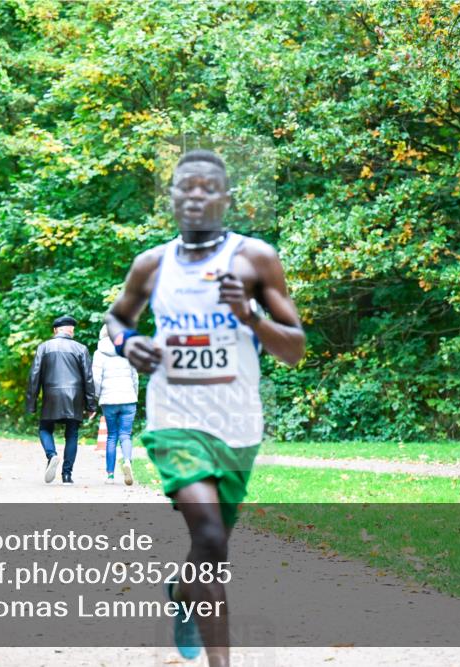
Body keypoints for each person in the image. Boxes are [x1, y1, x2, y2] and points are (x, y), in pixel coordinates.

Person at [105, 149, 305, 666]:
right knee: (211, 536)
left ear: (225, 198)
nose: (194, 197)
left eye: (206, 188)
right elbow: (117, 317)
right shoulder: (151, 264)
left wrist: (251, 316)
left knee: (210, 547)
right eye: (184, 188)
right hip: (174, 420)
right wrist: (129, 345)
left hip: (237, 424)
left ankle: (183, 590)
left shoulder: (255, 259)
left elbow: (295, 348)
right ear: (171, 198)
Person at [26, 315, 97, 484]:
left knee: (45, 429)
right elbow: (88, 378)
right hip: (74, 398)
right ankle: (67, 475)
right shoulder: (81, 348)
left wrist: (31, 403)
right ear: (71, 330)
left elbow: (34, 376)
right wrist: (91, 405)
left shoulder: (44, 347)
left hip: (51, 396)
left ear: (55, 330)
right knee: (71, 434)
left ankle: (51, 455)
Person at [92, 324, 139, 485]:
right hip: (128, 399)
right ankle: (127, 461)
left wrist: (96, 397)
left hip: (109, 400)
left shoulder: (99, 354)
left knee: (111, 436)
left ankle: (110, 475)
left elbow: (96, 379)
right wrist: (134, 394)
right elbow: (135, 377)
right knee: (125, 435)